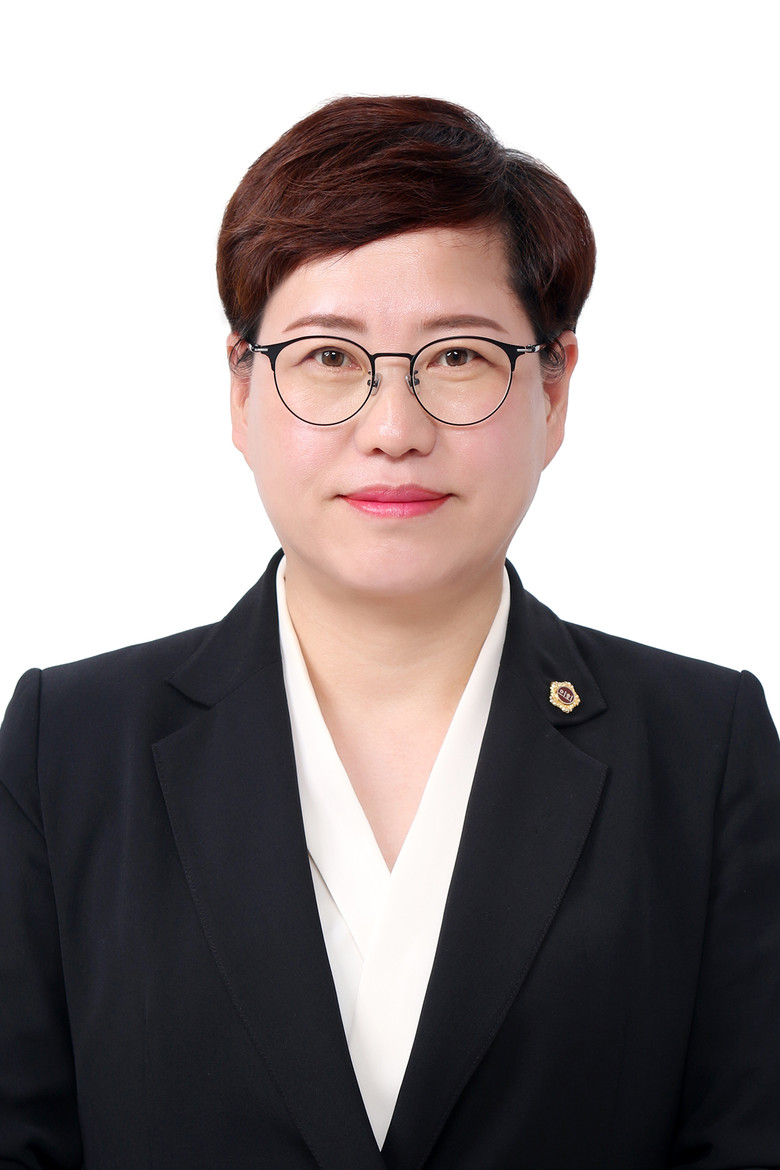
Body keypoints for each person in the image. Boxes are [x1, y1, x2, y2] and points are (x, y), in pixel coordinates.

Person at [1, 95, 778, 1170]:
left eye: (458, 357)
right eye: (329, 357)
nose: (395, 429)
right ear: (241, 391)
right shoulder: (69, 747)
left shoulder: (705, 748)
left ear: (553, 391)